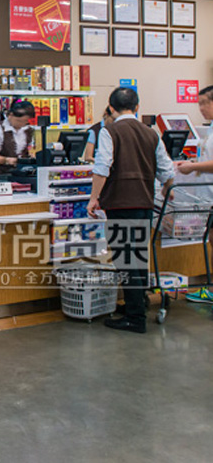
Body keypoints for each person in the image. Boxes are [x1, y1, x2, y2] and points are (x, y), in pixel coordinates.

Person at [87, 87, 174, 333]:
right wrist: (167, 187)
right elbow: (166, 168)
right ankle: (139, 303)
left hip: (120, 203)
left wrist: (93, 198)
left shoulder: (109, 131)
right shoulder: (151, 133)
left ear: (111, 108)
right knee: (137, 256)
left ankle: (135, 318)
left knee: (126, 260)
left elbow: (102, 167)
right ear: (137, 107)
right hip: (145, 202)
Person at [173, 85, 213, 304]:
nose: (201, 108)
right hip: (207, 197)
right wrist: (192, 164)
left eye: (204, 103)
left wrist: (193, 167)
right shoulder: (210, 129)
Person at [0, 100, 35, 175]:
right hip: (1, 174)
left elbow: (30, 149)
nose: (21, 124)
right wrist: (6, 160)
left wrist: (31, 157)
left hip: (22, 173)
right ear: (11, 115)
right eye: (19, 121)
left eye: (25, 121)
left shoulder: (28, 130)